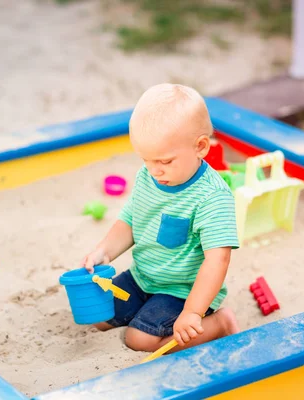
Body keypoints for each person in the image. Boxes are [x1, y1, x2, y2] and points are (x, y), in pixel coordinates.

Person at [81, 83, 239, 353]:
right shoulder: (149, 175)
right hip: (143, 276)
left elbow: (218, 259)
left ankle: (221, 323)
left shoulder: (212, 196)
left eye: (165, 161)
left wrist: (192, 311)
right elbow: (130, 220)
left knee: (139, 340)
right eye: (147, 160)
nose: (155, 170)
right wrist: (103, 252)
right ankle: (147, 310)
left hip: (183, 289)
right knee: (99, 315)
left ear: (200, 147)